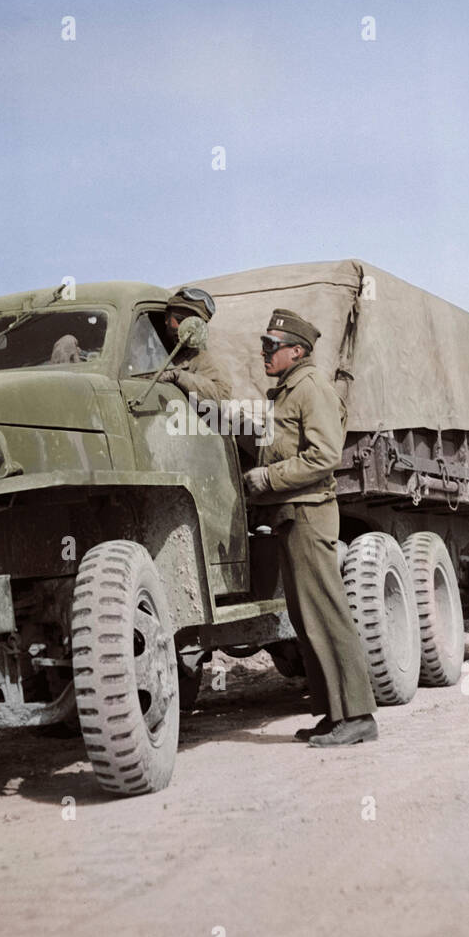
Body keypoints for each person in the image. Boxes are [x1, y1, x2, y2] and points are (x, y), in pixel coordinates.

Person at [242, 309, 377, 747]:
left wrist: (269, 479)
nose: (264, 352)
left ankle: (358, 716)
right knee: (306, 618)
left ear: (296, 351)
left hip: (309, 510)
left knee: (327, 614)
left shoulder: (311, 387)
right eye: (264, 345)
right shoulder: (285, 391)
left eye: (271, 347)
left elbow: (324, 456)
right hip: (289, 512)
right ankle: (332, 712)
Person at [160, 286, 232, 405]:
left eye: (193, 325)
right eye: (179, 320)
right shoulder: (142, 343)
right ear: (166, 317)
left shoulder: (201, 358)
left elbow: (222, 396)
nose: (185, 331)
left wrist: (180, 376)